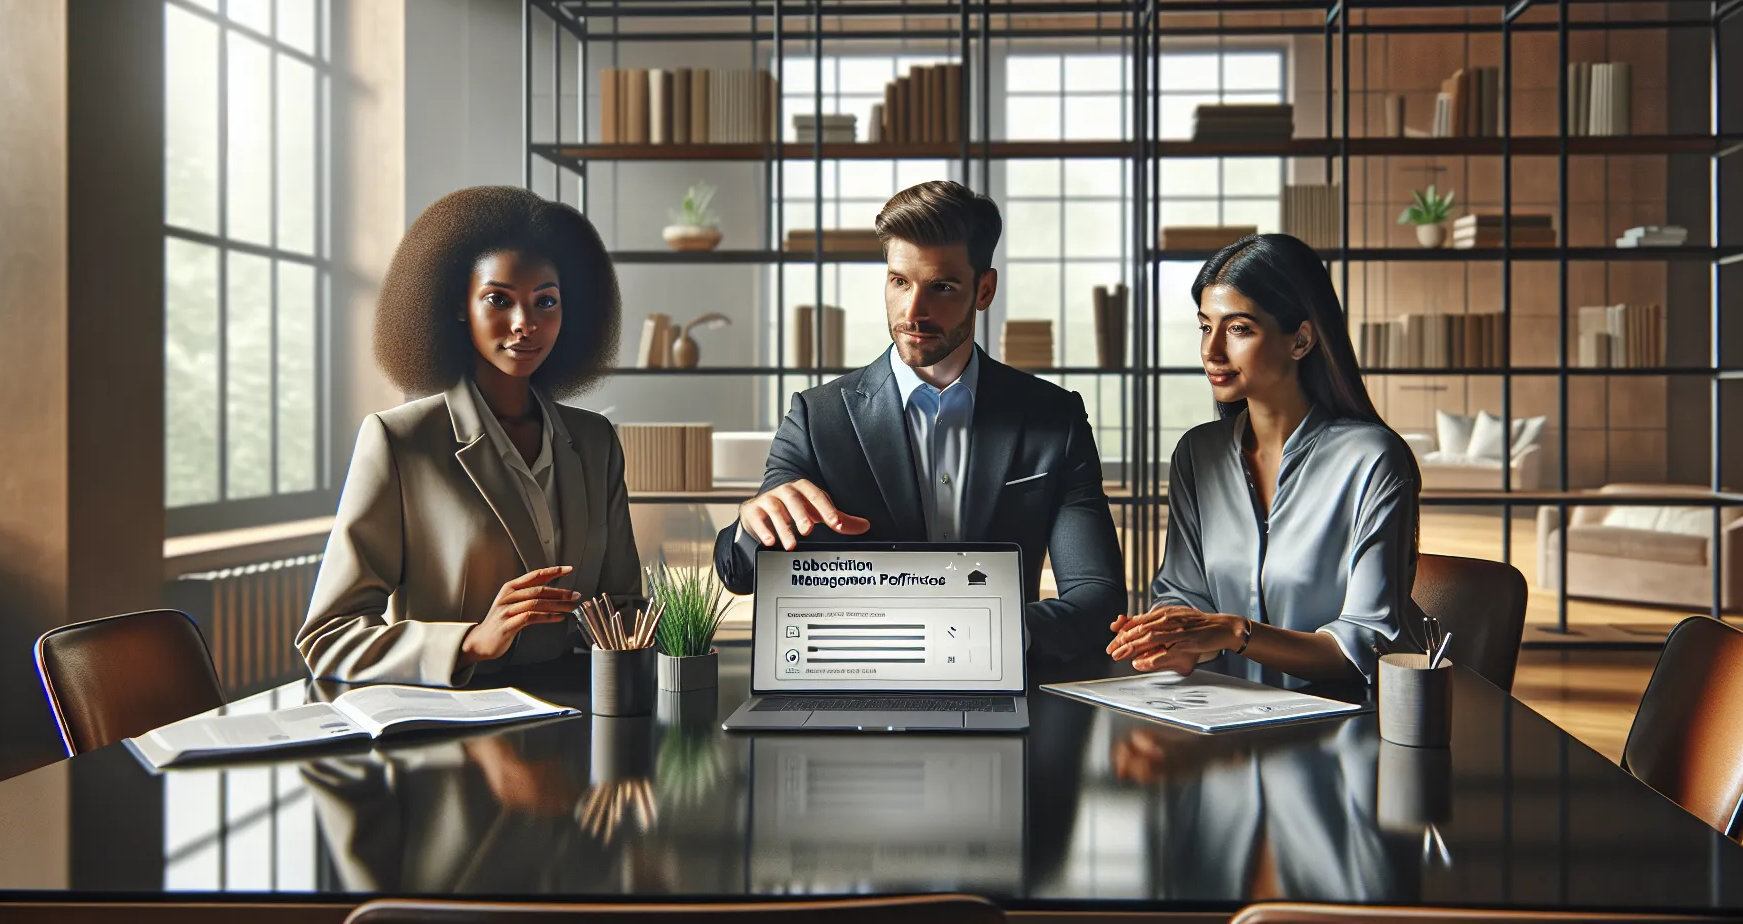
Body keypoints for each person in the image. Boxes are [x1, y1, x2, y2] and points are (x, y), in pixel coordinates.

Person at [711, 180, 1125, 659]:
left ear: (984, 290)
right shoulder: (816, 417)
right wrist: (752, 525)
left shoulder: (1055, 418)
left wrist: (971, 634)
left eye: (941, 287)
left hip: (1004, 679)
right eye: (899, 282)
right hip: (854, 684)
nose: (913, 312)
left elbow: (1099, 601)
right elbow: (739, 573)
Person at [298, 185, 641, 687]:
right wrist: (471, 641)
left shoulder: (595, 441)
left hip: (580, 712)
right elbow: (329, 637)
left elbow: (624, 609)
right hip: (451, 719)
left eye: (545, 302)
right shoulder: (401, 442)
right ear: (460, 305)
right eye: (499, 300)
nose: (525, 324)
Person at [1107, 233, 1423, 684]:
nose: (1211, 351)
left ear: (1301, 340)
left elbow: (1368, 645)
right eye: (1205, 326)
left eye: (1238, 329)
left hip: (1345, 719)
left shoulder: (1372, 460)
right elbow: (1184, 594)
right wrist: (1170, 639)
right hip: (1220, 716)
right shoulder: (1197, 455)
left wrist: (1236, 632)